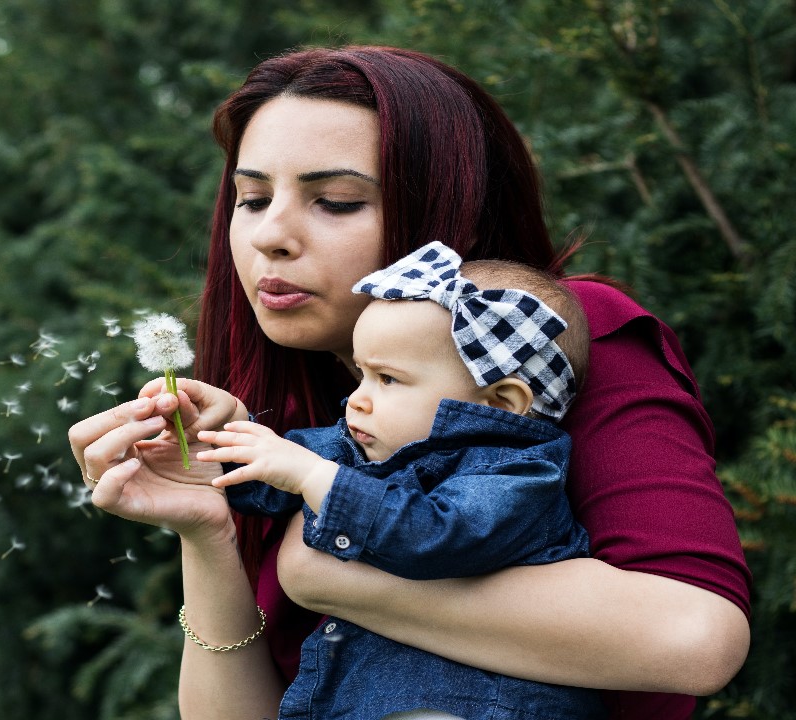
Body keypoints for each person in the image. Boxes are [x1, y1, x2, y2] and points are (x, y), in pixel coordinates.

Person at [68, 46, 751, 720]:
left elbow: (695, 637)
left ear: (448, 205)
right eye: (251, 197)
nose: (269, 235)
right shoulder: (312, 412)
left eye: (334, 200)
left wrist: (321, 567)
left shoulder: (547, 341)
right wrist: (207, 529)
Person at [196, 242, 603, 718]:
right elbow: (270, 477)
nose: (356, 401)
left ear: (499, 403)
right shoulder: (364, 447)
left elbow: (437, 534)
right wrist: (213, 445)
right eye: (361, 376)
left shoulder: (518, 472)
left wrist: (313, 475)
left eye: (387, 379)